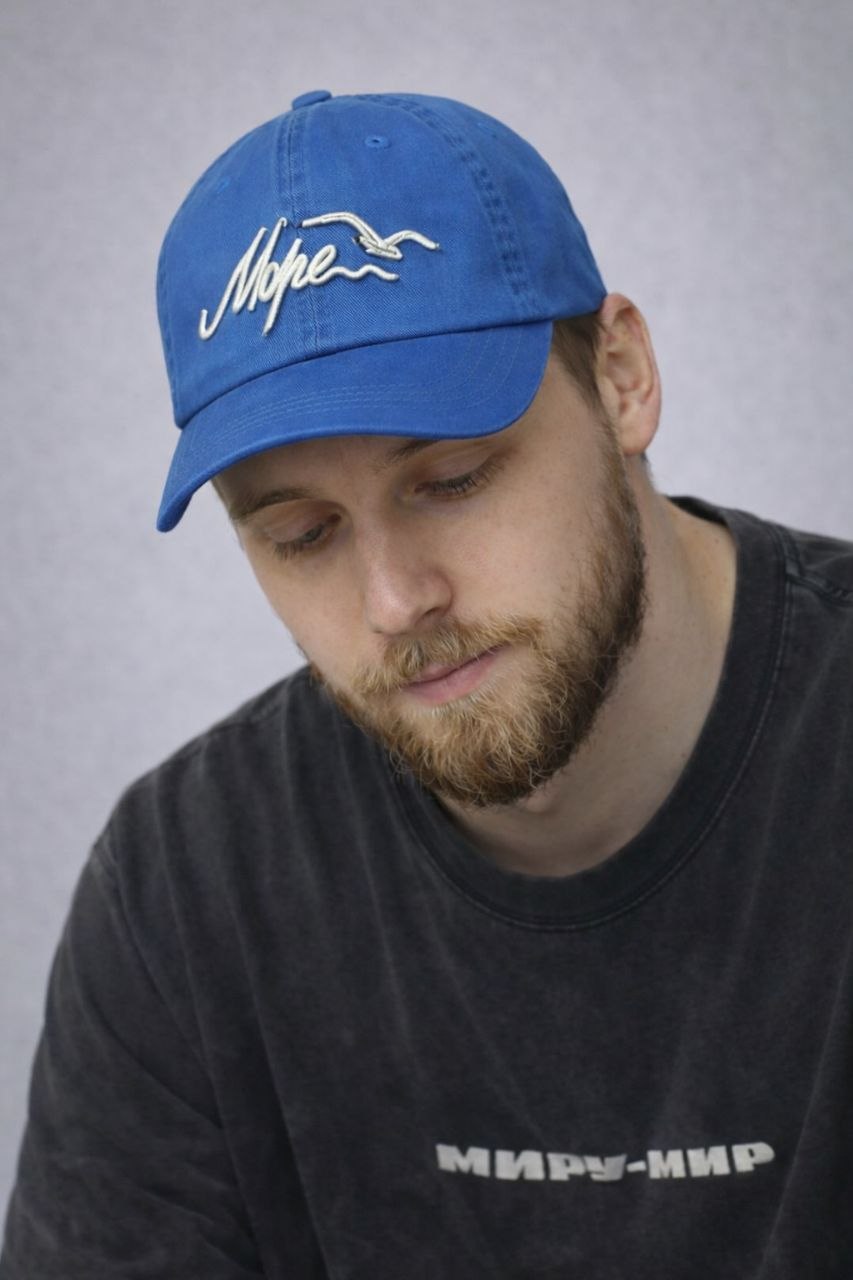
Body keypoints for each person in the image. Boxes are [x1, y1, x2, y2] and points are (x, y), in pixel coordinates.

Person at [1, 90, 851, 1280]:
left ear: (620, 377)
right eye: (301, 534)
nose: (396, 600)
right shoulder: (187, 889)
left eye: (452, 478)